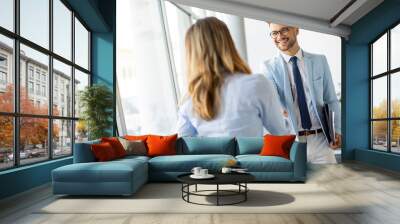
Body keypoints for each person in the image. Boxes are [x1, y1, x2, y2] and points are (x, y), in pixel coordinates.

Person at [177, 17, 289, 137]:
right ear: (228, 43)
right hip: (250, 155)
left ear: (192, 54)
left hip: (213, 156)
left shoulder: (190, 98)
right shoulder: (256, 84)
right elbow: (281, 132)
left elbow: (182, 145)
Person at [261, 23, 341, 164]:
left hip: (321, 141)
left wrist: (337, 130)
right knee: (299, 186)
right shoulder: (268, 67)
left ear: (296, 29)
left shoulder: (319, 61)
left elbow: (331, 99)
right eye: (274, 33)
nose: (279, 36)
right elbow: (270, 100)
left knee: (333, 184)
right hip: (292, 142)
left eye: (284, 30)